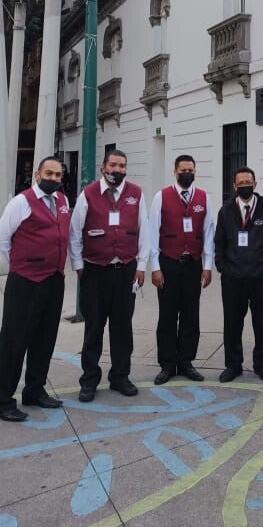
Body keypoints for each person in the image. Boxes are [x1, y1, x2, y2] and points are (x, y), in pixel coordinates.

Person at [69, 149, 149, 402]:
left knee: (122, 327)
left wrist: (141, 265)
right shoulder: (88, 193)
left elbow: (145, 230)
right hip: (94, 271)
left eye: (122, 166)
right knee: (94, 327)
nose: (117, 170)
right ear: (103, 167)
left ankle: (120, 377)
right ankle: (89, 379)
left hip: (125, 270)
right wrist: (78, 266)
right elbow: (75, 232)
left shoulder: (136, 193)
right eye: (113, 165)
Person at [0, 156, 70, 422]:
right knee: (14, 340)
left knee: (45, 338)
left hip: (54, 279)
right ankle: (3, 399)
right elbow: (3, 238)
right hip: (25, 281)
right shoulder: (21, 202)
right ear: (38, 175)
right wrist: (18, 266)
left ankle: (35, 390)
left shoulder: (63, 201)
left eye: (58, 175)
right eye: (49, 174)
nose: (53, 179)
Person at [214, 167, 263, 382]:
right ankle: (233, 365)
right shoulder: (226, 211)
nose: (245, 185)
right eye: (241, 183)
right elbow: (219, 241)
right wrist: (222, 267)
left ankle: (262, 364)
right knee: (232, 323)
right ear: (234, 186)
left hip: (261, 278)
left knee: (261, 322)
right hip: (233, 278)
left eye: (248, 182)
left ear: (255, 184)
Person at [150, 154, 214, 384]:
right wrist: (155, 267)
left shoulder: (204, 197)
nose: (187, 173)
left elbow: (208, 233)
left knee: (190, 315)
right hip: (168, 262)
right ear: (175, 172)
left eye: (191, 170)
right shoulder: (161, 196)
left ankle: (186, 362)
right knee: (167, 316)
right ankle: (167, 364)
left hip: (193, 264)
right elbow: (152, 232)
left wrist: (208, 266)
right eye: (183, 170)